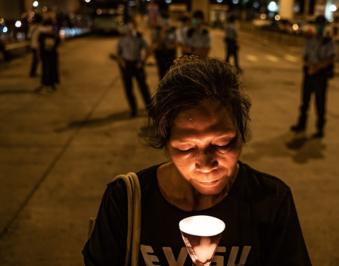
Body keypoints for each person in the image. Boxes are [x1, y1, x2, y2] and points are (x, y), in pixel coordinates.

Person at [83, 56, 312, 265]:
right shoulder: (127, 200)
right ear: (165, 144)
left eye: (222, 143)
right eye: (186, 147)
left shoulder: (270, 200)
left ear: (241, 135)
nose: (205, 162)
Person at [290, 15, 335, 138]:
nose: (320, 27)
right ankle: (301, 124)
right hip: (309, 74)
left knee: (320, 103)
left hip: (320, 75)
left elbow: (330, 59)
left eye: (322, 25)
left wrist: (316, 68)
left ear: (325, 26)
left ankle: (320, 129)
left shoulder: (328, 41)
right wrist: (309, 65)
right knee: (305, 101)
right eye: (318, 24)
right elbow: (305, 56)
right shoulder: (310, 40)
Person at [116, 23, 152, 117]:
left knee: (143, 87)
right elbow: (118, 53)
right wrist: (121, 62)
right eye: (128, 30)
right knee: (128, 89)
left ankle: (150, 108)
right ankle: (133, 110)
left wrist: (143, 61)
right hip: (126, 65)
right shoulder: (121, 40)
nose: (129, 32)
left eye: (131, 30)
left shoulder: (139, 39)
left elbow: (149, 49)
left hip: (137, 64)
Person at [35, 18, 60, 93]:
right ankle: (52, 84)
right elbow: (58, 41)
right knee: (53, 68)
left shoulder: (41, 32)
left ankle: (45, 85)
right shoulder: (54, 31)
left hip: (45, 53)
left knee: (46, 69)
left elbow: (39, 42)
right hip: (53, 53)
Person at [151, 14, 177, 80]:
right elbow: (155, 44)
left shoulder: (172, 31)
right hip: (160, 54)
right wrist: (162, 32)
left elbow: (175, 43)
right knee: (161, 74)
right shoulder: (155, 31)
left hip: (170, 54)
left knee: (171, 73)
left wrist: (171, 46)